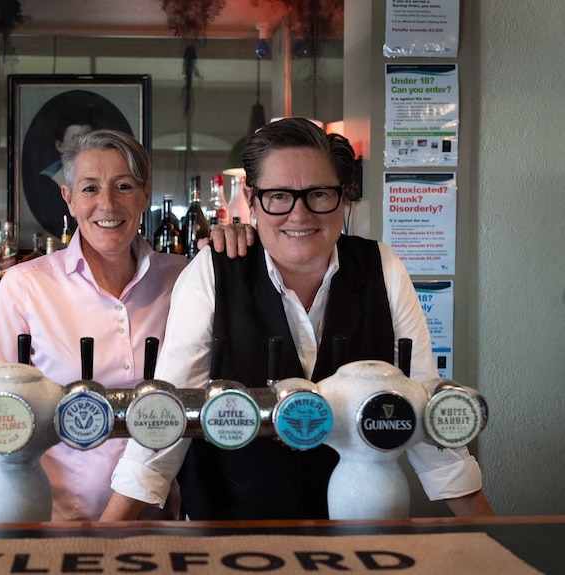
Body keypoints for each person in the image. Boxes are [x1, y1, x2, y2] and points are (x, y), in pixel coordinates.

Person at [101, 117, 494, 521]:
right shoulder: (212, 271)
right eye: (279, 196)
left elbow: (424, 409)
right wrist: (101, 540)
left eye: (318, 194)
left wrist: (495, 542)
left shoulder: (383, 267)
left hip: (361, 527)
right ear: (252, 201)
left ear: (344, 198)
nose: (299, 214)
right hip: (228, 529)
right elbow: (169, 416)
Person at [0, 128, 250, 521]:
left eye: (123, 186)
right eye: (90, 189)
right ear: (69, 199)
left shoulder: (185, 280)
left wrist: (241, 241)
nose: (107, 204)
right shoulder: (26, 287)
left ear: (145, 195)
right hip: (48, 520)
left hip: (158, 522)